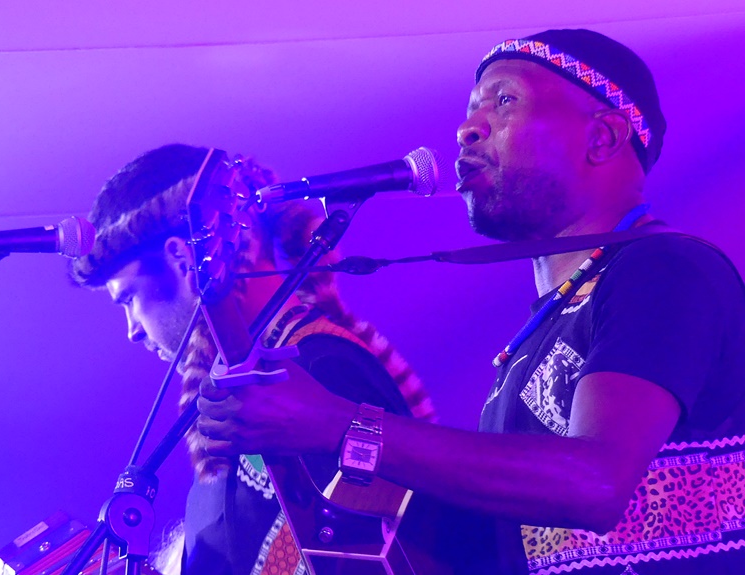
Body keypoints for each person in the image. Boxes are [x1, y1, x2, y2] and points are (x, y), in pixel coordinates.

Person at [195, 29, 745, 574]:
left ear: (602, 138)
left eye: (504, 101)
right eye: (471, 108)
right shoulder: (540, 334)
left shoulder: (665, 268)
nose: (466, 129)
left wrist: (341, 423)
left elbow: (595, 483)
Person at [70, 144, 436, 574]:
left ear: (183, 259)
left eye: (128, 298)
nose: (131, 329)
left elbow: (377, 555)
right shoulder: (249, 381)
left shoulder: (317, 367)